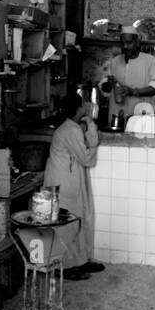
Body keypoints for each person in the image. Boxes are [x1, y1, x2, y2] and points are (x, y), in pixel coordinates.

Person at [39, 91, 104, 281]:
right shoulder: (71, 130)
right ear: (78, 109)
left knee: (76, 221)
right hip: (63, 182)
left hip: (66, 178)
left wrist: (88, 125)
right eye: (83, 103)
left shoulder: (71, 127)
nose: (86, 105)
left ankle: (80, 260)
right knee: (67, 224)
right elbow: (87, 159)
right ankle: (65, 267)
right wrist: (92, 125)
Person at [99, 26, 155, 120]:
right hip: (117, 115)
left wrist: (132, 91)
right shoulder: (115, 62)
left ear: (137, 42)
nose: (125, 46)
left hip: (141, 115)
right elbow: (104, 88)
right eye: (123, 43)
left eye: (129, 43)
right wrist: (108, 84)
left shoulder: (150, 61)